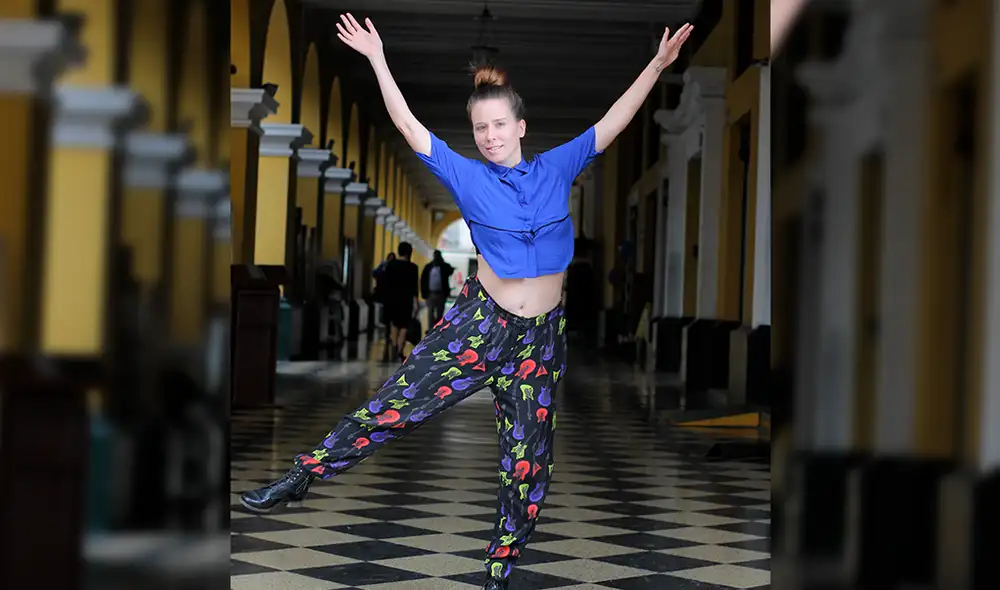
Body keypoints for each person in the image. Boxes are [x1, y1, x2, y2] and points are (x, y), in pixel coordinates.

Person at [240, 13, 692, 590]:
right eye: (480, 128)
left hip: (540, 338)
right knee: (395, 406)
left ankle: (500, 564)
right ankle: (303, 476)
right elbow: (406, 125)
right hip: (480, 325)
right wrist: (378, 58)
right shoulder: (467, 177)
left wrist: (656, 65)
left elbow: (614, 121)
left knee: (529, 461)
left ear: (521, 126)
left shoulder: (560, 166)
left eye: (499, 125)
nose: (490, 136)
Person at [381, 243, 419, 361]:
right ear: (409, 253)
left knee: (394, 323)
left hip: (392, 298)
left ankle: (393, 346)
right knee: (404, 325)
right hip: (405, 299)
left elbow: (385, 282)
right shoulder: (413, 267)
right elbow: (414, 287)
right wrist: (416, 302)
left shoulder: (391, 265)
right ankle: (399, 351)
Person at [420, 249, 455, 326]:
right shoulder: (428, 267)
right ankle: (431, 328)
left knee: (439, 313)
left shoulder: (443, 267)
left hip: (441, 294)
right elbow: (423, 280)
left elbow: (450, 270)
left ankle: (436, 327)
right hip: (430, 294)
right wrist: (424, 293)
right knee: (430, 313)